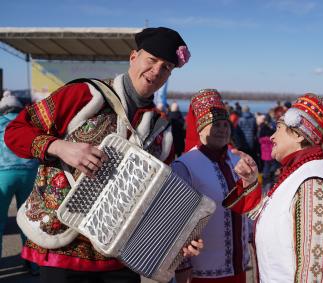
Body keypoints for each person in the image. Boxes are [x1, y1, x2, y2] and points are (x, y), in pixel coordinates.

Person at [5, 27, 202, 283]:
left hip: (119, 255)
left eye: (166, 67)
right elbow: (15, 131)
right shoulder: (84, 95)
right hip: (61, 247)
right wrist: (60, 147)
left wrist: (179, 238)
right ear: (133, 56)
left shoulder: (161, 130)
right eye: (151, 60)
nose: (156, 71)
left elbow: (160, 198)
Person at [224, 94, 323, 282]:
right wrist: (251, 182)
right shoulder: (298, 175)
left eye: (279, 128)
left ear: (299, 135)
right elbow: (278, 223)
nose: (272, 136)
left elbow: (317, 276)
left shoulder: (315, 187)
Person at [173, 89, 251, 283]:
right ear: (200, 130)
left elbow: (247, 207)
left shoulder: (236, 160)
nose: (223, 129)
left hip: (239, 269)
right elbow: (176, 222)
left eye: (226, 125)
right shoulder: (185, 166)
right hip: (202, 272)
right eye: (215, 124)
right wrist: (182, 266)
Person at [0, 92, 39, 274]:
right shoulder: (28, 124)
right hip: (29, 173)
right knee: (29, 221)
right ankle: (33, 264)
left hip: (3, 175)